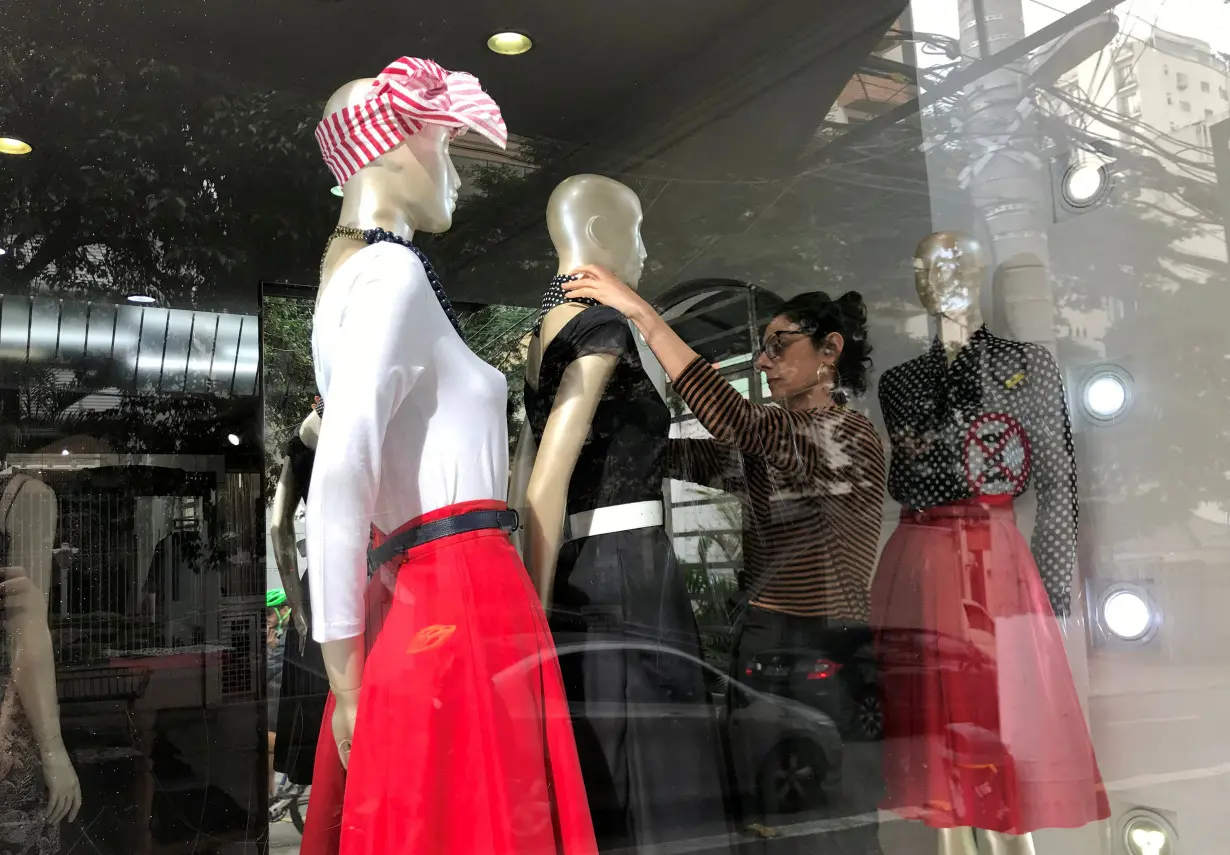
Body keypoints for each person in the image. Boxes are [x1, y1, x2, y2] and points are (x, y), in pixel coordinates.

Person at [563, 271, 887, 842]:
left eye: (780, 346)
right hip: (765, 643)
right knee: (762, 816)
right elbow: (697, 458)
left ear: (830, 350)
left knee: (830, 824)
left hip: (822, 649)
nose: (764, 362)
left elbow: (735, 424)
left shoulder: (846, 436)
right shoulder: (780, 445)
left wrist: (641, 313)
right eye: (763, 350)